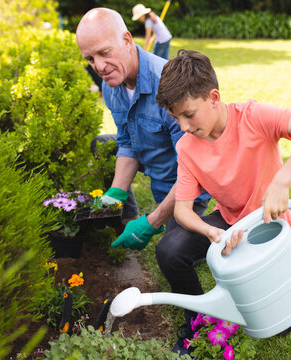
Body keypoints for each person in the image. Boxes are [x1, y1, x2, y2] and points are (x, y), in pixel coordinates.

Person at [155, 49, 291, 355]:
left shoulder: (253, 117)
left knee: (281, 325)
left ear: (214, 97)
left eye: (189, 114)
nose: (184, 125)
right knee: (170, 249)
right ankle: (199, 323)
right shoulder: (187, 147)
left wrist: (282, 180)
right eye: (176, 117)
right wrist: (211, 233)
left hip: (271, 226)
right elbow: (182, 210)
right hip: (229, 223)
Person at [76, 9, 210, 252]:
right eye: (90, 59)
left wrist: (153, 221)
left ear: (127, 40)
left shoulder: (168, 86)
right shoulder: (111, 84)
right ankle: (126, 215)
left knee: (172, 252)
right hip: (151, 155)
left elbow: (194, 170)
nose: (100, 66)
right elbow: (127, 141)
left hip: (186, 186)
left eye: (104, 53)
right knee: (106, 143)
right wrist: (116, 192)